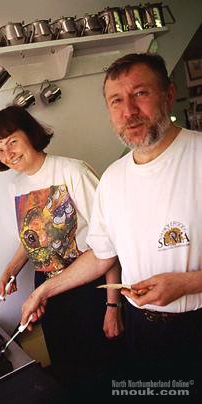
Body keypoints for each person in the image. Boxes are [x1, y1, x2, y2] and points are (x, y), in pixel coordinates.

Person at [21, 53, 202, 390]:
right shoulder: (113, 179)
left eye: (141, 94)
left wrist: (188, 283)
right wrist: (43, 291)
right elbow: (102, 254)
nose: (129, 111)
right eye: (116, 100)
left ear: (169, 95)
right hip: (141, 329)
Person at [0, 105, 124, 385]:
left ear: (29, 134)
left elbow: (109, 243)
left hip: (89, 288)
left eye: (12, 142)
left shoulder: (72, 171)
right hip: (48, 290)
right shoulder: (16, 186)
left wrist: (112, 307)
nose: (8, 155)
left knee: (103, 369)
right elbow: (33, 235)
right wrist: (13, 267)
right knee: (68, 368)